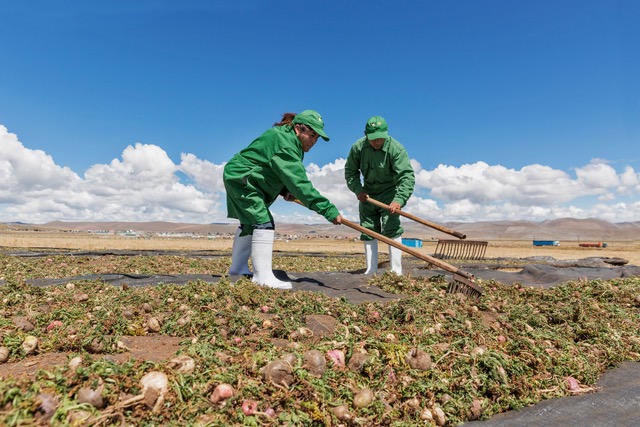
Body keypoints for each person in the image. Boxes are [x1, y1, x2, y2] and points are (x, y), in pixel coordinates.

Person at [223, 110, 343, 289]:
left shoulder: (288, 141)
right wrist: (328, 210)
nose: (313, 141)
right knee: (263, 222)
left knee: (249, 223)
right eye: (311, 135)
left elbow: (272, 169)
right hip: (244, 180)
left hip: (245, 178)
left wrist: (285, 190)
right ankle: (262, 277)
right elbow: (300, 184)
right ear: (297, 129)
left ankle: (237, 269)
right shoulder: (285, 144)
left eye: (316, 138)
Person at [344, 115, 415, 275]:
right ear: (365, 134)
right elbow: (350, 172)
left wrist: (399, 199)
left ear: (386, 134)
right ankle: (371, 270)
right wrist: (358, 190)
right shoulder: (358, 148)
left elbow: (407, 176)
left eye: (380, 138)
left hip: (390, 194)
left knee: (392, 227)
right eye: (373, 139)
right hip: (367, 194)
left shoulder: (396, 149)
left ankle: (396, 271)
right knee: (368, 228)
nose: (377, 142)